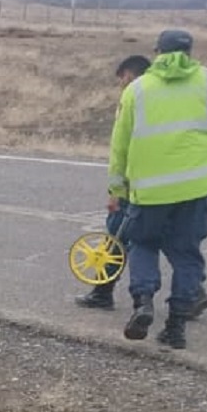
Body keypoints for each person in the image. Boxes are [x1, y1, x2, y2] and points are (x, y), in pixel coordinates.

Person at [108, 28, 207, 349]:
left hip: (149, 189)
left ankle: (144, 303)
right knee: (187, 253)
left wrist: (117, 186)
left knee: (142, 244)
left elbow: (119, 144)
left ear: (157, 51)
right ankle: (175, 327)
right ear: (189, 52)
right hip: (195, 186)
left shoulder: (137, 89)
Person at [76, 55, 148, 310]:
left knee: (117, 238)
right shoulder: (169, 100)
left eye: (122, 79)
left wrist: (116, 191)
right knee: (173, 242)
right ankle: (192, 292)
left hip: (133, 185)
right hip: (169, 185)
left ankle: (103, 292)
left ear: (128, 75)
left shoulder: (131, 99)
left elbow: (120, 149)